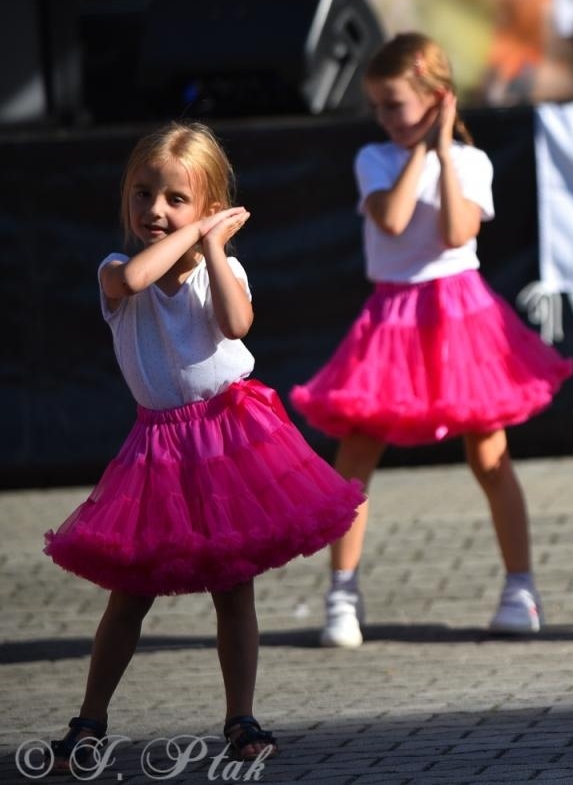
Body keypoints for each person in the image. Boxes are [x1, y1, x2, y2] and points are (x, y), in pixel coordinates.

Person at [43, 122, 364, 769]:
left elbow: (237, 322)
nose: (154, 211)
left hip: (230, 440)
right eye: (142, 194)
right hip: (156, 452)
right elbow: (135, 279)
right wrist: (195, 230)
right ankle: (90, 719)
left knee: (233, 588)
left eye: (175, 200)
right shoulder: (115, 271)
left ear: (213, 210)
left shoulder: (224, 266)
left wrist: (214, 248)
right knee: (130, 592)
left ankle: (239, 716)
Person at [292, 33, 573, 649]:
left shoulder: (471, 163)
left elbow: (454, 232)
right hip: (391, 317)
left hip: (461, 316)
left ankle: (520, 590)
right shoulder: (375, 159)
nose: (385, 117)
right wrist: (418, 150)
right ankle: (342, 593)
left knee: (488, 455)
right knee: (357, 454)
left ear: (437, 99)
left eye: (395, 104)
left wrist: (443, 151)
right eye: (378, 106)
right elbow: (392, 221)